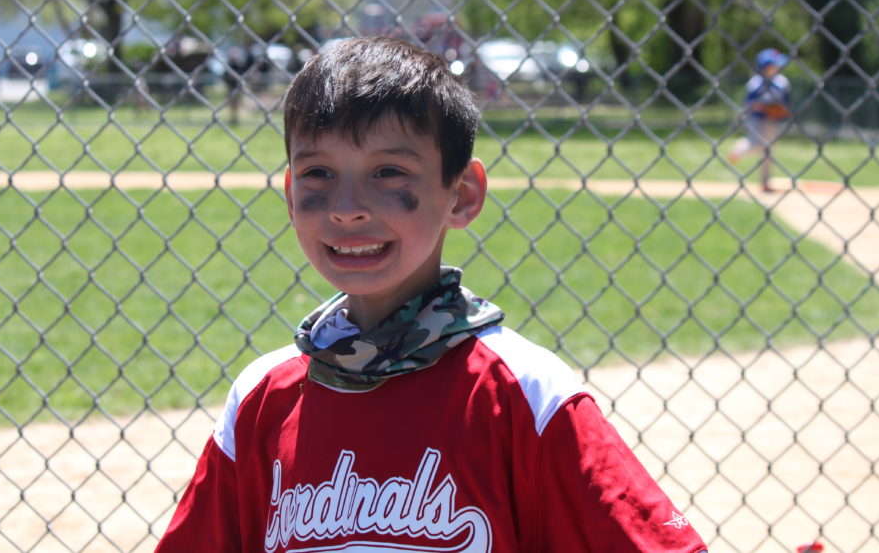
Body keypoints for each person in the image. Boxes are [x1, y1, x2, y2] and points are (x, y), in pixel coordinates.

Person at [156, 36, 709, 552]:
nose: (347, 208)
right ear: (290, 192)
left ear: (461, 194)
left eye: (388, 172)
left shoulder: (523, 394)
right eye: (318, 172)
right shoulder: (263, 400)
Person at [729, 48, 792, 192]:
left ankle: (765, 183)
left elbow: (787, 105)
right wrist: (767, 108)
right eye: (774, 64)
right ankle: (739, 148)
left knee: (769, 152)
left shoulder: (782, 82)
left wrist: (780, 111)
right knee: (756, 145)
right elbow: (750, 104)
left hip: (773, 122)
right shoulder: (755, 83)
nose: (777, 67)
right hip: (757, 120)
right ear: (765, 67)